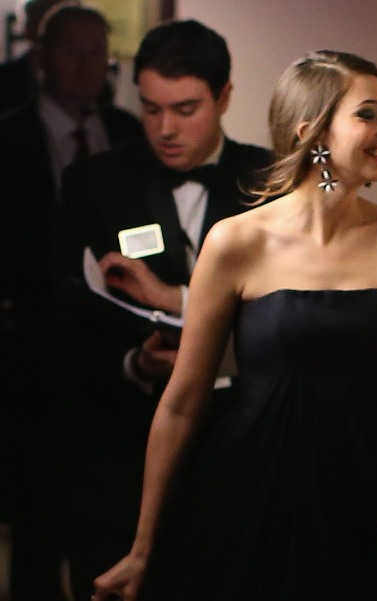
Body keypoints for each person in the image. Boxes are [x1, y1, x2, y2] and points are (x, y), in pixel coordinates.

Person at [90, 49, 377, 601]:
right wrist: (142, 549)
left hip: (365, 492)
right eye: (368, 115)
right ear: (312, 132)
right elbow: (182, 402)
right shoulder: (236, 241)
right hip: (250, 489)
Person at [52, 19, 273, 600]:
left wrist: (178, 300)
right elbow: (64, 326)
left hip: (241, 449)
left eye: (185, 109)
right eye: (150, 110)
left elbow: (291, 305)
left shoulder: (270, 182)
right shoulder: (95, 183)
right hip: (122, 449)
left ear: (224, 97)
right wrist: (134, 364)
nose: (166, 129)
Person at [0, 4, 141, 600]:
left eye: (97, 53)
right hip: (30, 357)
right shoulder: (9, 138)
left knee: (110, 528)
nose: (86, 66)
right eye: (71, 52)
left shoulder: (129, 131)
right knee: (36, 529)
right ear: (41, 58)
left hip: (119, 355)